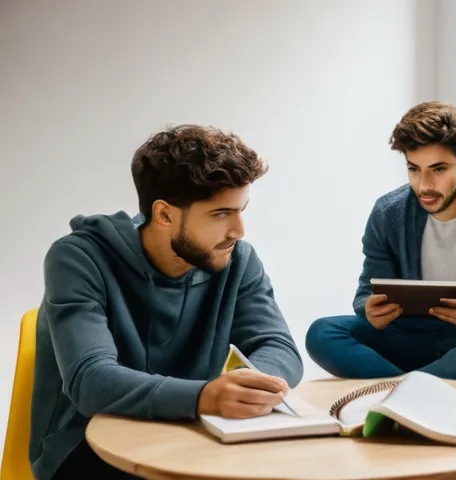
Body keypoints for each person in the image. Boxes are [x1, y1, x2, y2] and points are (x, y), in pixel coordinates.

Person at [29, 125, 304, 480]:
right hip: (86, 443)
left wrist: (254, 387)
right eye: (220, 214)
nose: (238, 230)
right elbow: (90, 380)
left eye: (241, 210)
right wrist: (203, 397)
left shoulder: (238, 260)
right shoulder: (79, 258)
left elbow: (277, 345)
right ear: (164, 215)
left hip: (192, 433)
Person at [305, 101, 456, 386]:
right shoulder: (388, 212)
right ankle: (416, 390)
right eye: (414, 169)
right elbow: (365, 293)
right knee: (322, 332)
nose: (424, 185)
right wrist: (370, 310)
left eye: (438, 169)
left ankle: (398, 391)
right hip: (408, 334)